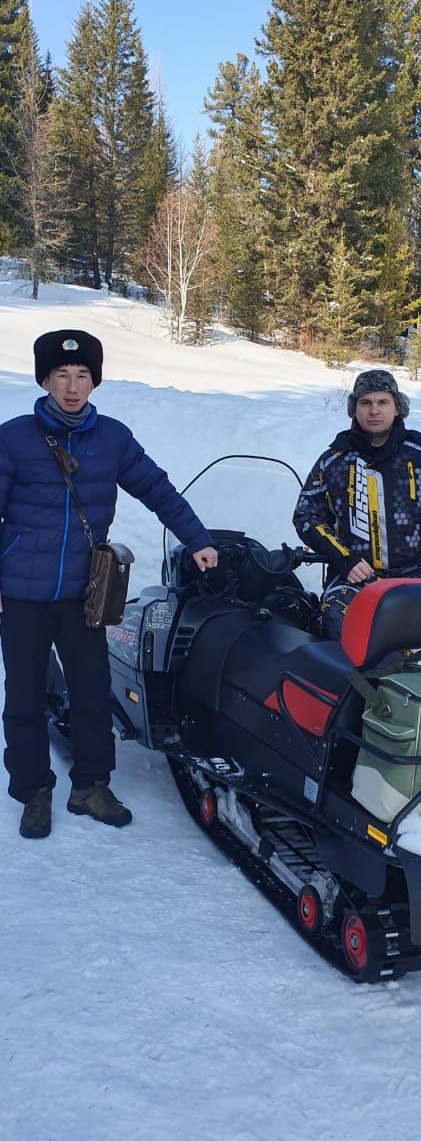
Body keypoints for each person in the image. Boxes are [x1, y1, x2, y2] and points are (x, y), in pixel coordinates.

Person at [0, 329, 218, 840]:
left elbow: (157, 489)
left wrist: (197, 539)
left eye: (82, 375)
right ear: (45, 380)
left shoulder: (113, 438)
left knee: (92, 694)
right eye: (62, 375)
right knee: (25, 697)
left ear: (94, 381)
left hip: (85, 594)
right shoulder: (13, 438)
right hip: (22, 595)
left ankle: (90, 786)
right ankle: (33, 790)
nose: (72, 386)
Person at [293, 369, 421, 639]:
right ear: (354, 409)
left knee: (403, 641)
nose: (374, 410)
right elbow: (306, 516)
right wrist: (344, 559)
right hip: (350, 578)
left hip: (410, 578)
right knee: (343, 630)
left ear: (397, 408)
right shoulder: (334, 460)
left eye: (383, 402)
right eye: (365, 402)